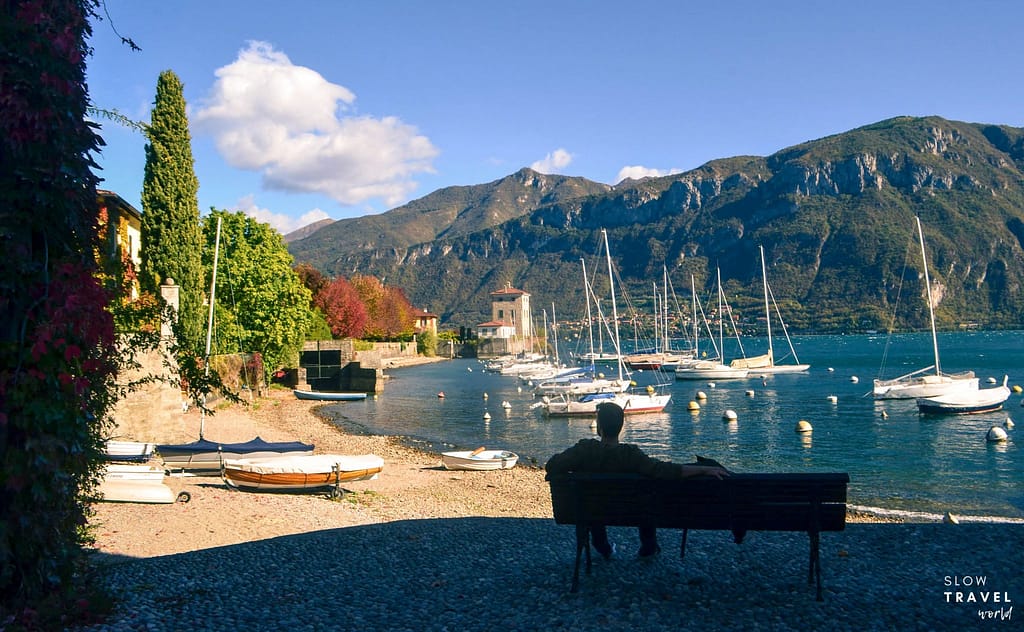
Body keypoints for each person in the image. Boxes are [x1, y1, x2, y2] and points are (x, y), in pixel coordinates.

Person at [545, 402, 730, 559]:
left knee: (593, 504)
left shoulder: (584, 450)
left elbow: (552, 465)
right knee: (645, 502)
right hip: (632, 511)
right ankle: (648, 546)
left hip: (592, 511)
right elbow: (663, 470)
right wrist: (703, 468)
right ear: (621, 426)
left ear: (599, 427)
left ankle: (603, 546)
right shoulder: (631, 455)